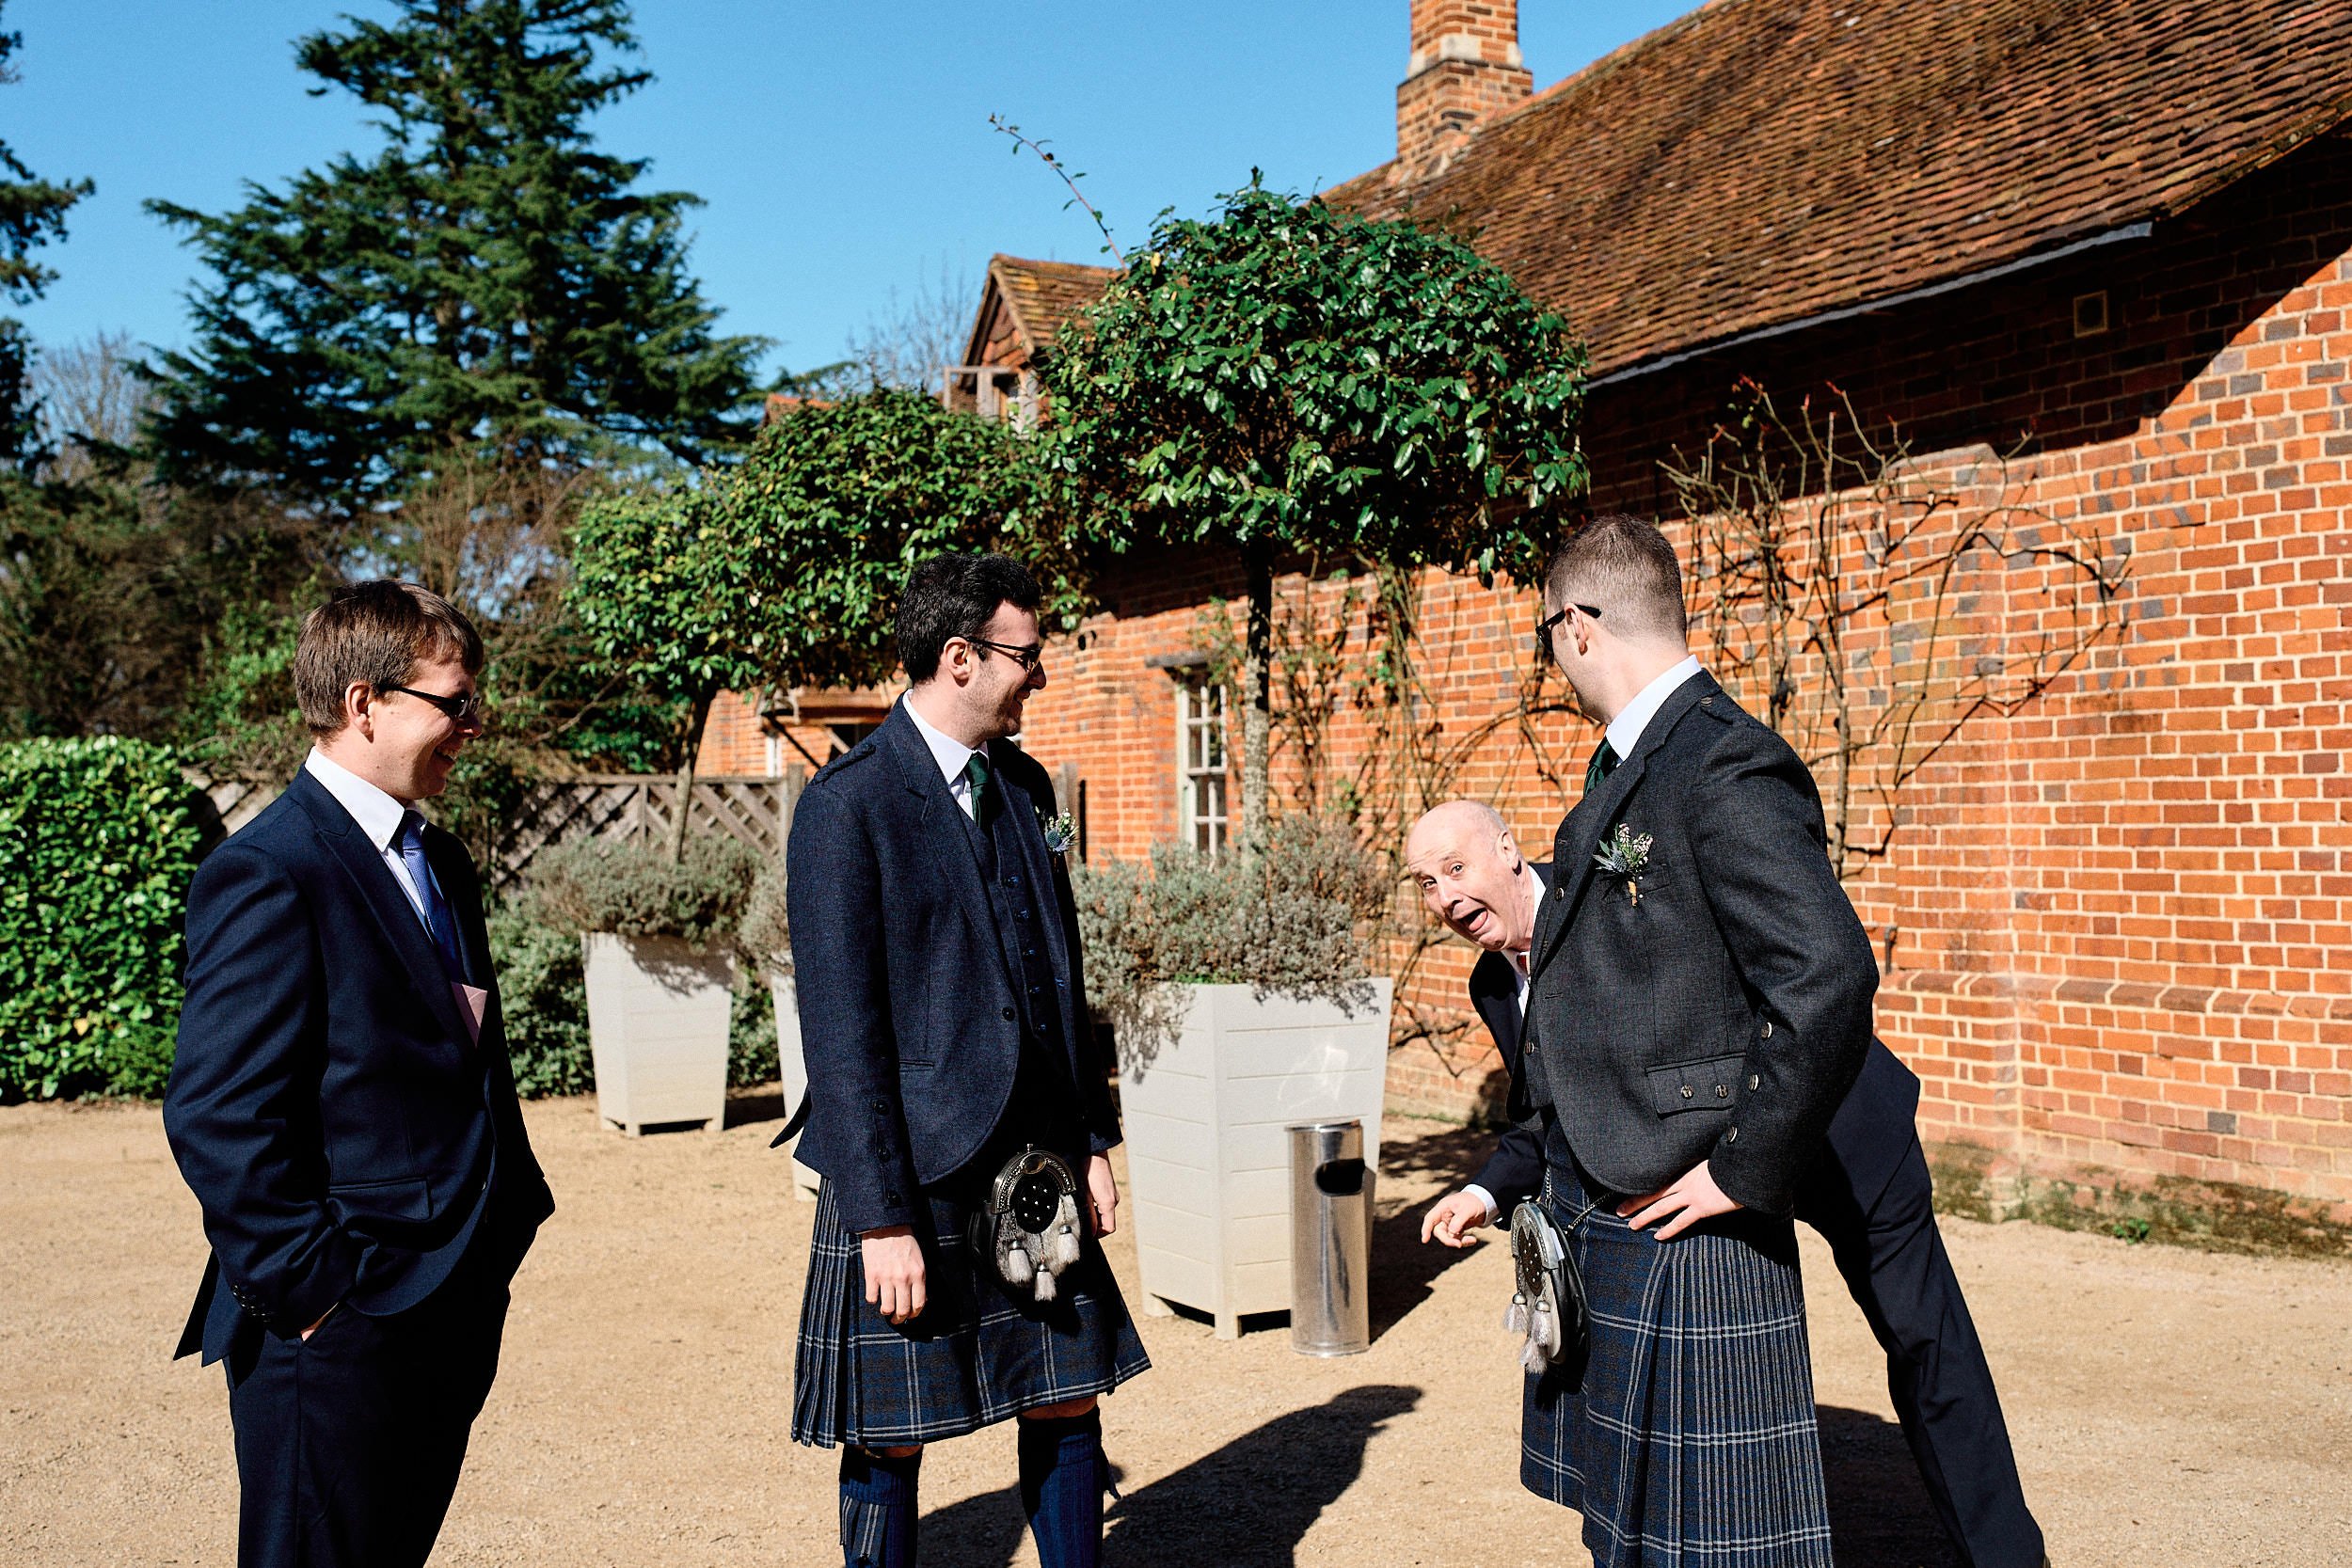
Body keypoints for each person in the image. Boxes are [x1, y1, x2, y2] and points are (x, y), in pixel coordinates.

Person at [1409, 799, 2048, 1568]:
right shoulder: (1493, 984)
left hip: (1836, 1130)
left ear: (1509, 850)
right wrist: (1483, 1193)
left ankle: (2007, 1554)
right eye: (1427, 883)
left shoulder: (1611, 898)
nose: (1445, 896)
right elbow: (1552, 1111)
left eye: (1456, 868)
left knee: (1926, 1340)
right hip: (1704, 1169)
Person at [1492, 514, 1879, 1566]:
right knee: (1628, 1532)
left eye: (1546, 638)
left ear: (1577, 626)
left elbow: (1828, 973)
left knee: (1719, 1545)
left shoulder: (1721, 758)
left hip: (1687, 1207)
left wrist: (1743, 1164)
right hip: (1607, 1191)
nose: (1553, 661)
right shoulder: (1631, 761)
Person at [164, 581, 554, 1568]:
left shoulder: (440, 859)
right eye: (455, 702)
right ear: (363, 702)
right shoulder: (270, 868)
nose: (474, 724)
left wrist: (497, 1234)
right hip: (337, 1328)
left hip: (450, 1299)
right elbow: (217, 1113)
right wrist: (315, 1292)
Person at [787, 552, 1148, 1568]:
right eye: (1026, 656)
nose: (1040, 673)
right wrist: (880, 1219)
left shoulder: (1024, 785)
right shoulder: (849, 802)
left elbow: (1061, 975)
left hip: (1035, 1153)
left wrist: (1090, 1138)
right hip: (918, 1164)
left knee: (1066, 1391)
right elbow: (841, 1031)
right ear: (960, 656)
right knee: (892, 1427)